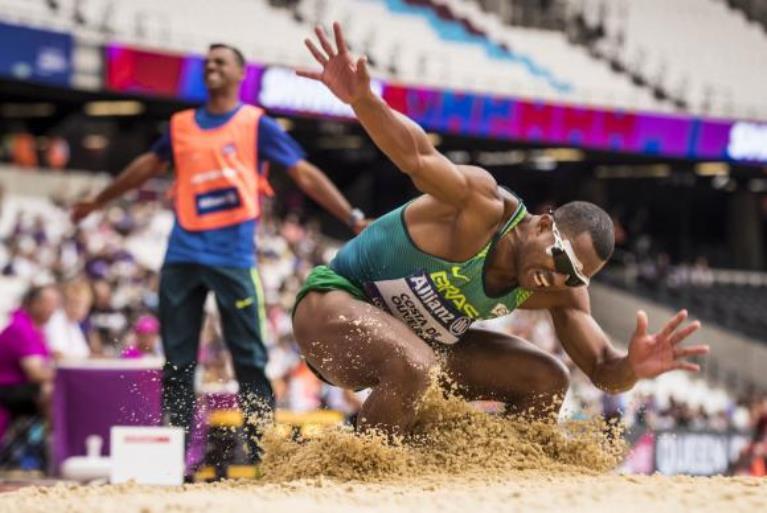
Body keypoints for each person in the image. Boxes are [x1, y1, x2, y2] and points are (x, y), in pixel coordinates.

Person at [291, 23, 710, 434]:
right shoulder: (482, 206)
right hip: (334, 313)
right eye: (561, 258)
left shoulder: (560, 288)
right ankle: (365, 477)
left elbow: (603, 369)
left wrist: (633, 368)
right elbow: (416, 156)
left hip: (412, 346)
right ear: (544, 225)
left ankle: (473, 476)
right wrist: (364, 100)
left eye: (575, 276)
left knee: (546, 381)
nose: (560, 277)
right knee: (415, 364)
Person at [71, 42, 365, 460]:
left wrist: (352, 216)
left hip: (234, 260)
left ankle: (266, 455)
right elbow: (145, 167)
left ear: (240, 73)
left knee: (249, 358)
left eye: (220, 61)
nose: (211, 66)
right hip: (182, 257)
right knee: (178, 362)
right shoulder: (181, 125)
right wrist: (97, 202)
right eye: (207, 61)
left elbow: (303, 173)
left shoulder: (254, 123)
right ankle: (171, 460)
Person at [0, 285, 59, 441]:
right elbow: (36, 373)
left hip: (21, 387)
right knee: (51, 391)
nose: (53, 309)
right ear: (34, 304)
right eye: (49, 303)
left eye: (55, 303)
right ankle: (54, 444)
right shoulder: (21, 328)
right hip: (7, 389)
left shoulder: (36, 330)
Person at [44, 279, 93, 361]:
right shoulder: (55, 320)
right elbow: (57, 355)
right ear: (65, 302)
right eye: (75, 303)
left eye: (85, 306)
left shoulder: (74, 324)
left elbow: (85, 355)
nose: (79, 309)